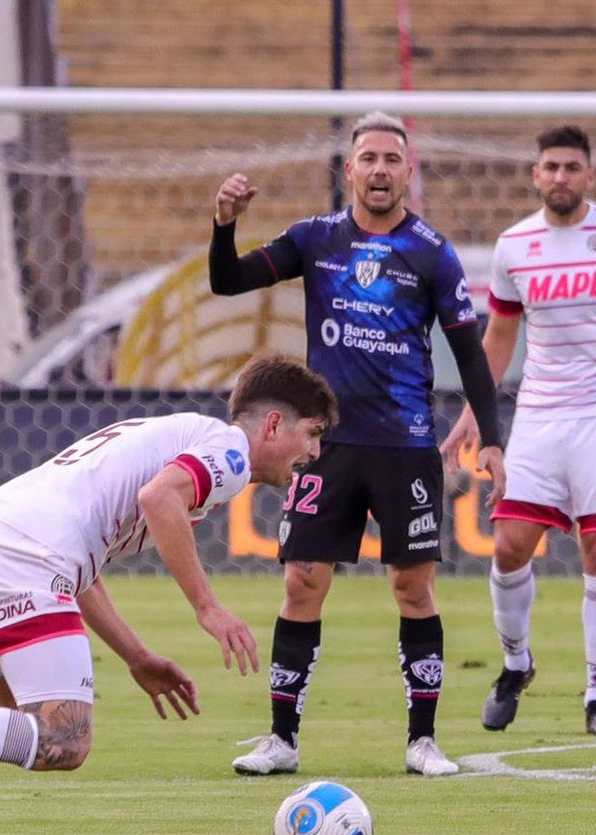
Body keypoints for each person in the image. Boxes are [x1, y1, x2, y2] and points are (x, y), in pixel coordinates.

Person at [0, 354, 339, 835]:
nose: (314, 452)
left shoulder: (189, 437)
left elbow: (84, 571)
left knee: (9, 709)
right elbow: (161, 501)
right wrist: (208, 608)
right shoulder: (229, 452)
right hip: (23, 551)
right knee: (64, 740)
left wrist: (136, 657)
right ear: (273, 424)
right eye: (312, 433)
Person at [208, 111, 506, 778]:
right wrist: (224, 223)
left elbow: (471, 355)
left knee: (411, 586)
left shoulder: (432, 252)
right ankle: (282, 738)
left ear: (408, 171)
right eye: (367, 157)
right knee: (301, 580)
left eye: (390, 159)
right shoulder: (314, 240)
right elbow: (228, 281)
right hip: (327, 445)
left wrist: (491, 440)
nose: (378, 169)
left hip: (406, 445)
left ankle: (422, 741)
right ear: (349, 170)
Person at [441, 125, 596, 736]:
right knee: (507, 546)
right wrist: (474, 411)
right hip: (542, 413)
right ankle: (515, 663)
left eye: (572, 167)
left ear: (590, 176)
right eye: (551, 166)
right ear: (535, 175)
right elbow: (498, 337)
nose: (561, 177)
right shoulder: (514, 246)